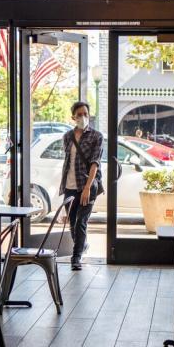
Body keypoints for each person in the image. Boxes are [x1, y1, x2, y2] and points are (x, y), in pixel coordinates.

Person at [59, 101, 103, 271]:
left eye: (86, 113)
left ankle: (76, 257)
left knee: (81, 222)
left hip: (88, 185)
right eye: (80, 114)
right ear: (73, 117)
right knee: (72, 222)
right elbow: (68, 161)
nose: (84, 117)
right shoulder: (67, 136)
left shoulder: (96, 136)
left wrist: (86, 188)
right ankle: (82, 245)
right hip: (70, 185)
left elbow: (94, 163)